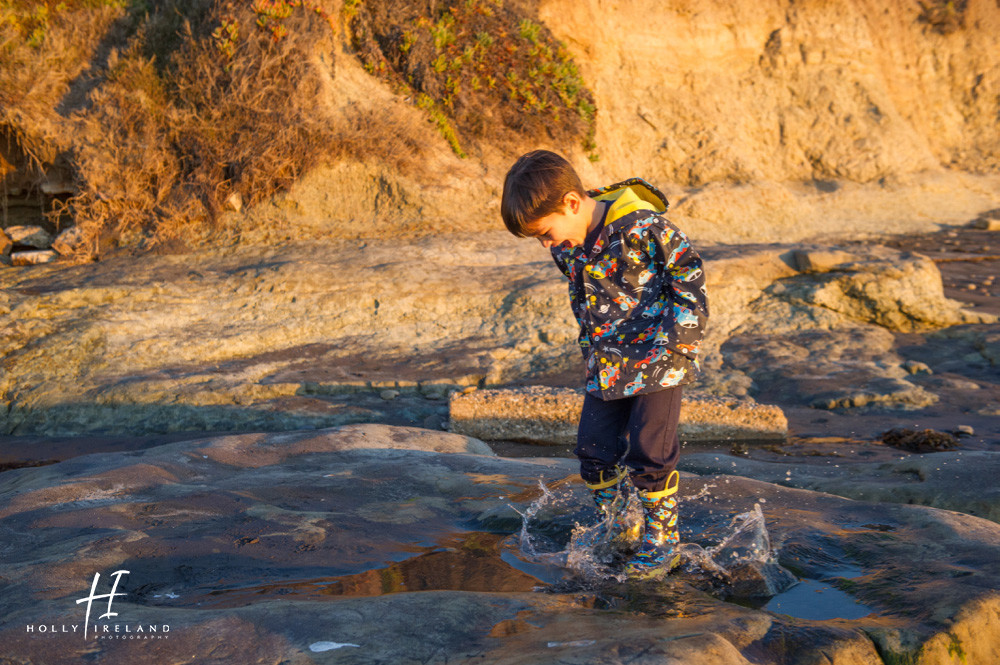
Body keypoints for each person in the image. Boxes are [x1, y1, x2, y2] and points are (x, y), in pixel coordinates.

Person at [500, 150, 709, 577]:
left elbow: (689, 277)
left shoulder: (644, 228)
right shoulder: (570, 245)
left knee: (650, 453)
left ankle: (662, 540)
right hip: (607, 364)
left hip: (658, 360)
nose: (547, 244)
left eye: (545, 233)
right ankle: (620, 526)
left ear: (572, 203)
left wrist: (678, 345)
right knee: (593, 450)